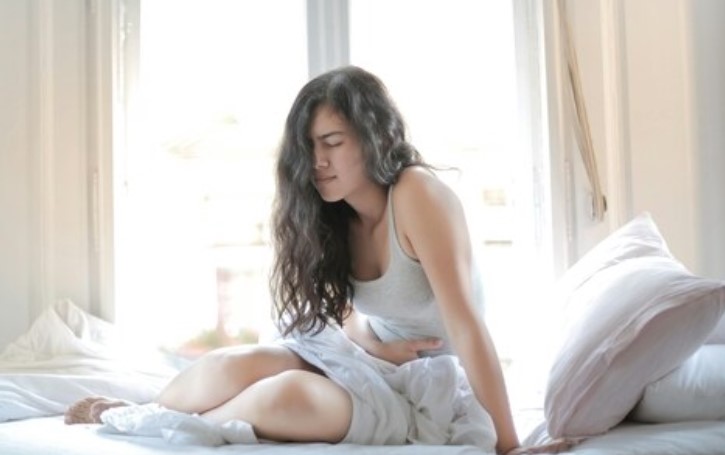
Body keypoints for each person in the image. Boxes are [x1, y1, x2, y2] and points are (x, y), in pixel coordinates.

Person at [65, 66, 565, 455]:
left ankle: (156, 424)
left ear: (376, 137)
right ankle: (144, 410)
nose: (317, 161)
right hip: (371, 362)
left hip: (429, 390)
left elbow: (466, 323)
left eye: (332, 143)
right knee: (239, 363)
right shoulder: (336, 213)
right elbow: (345, 315)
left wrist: (509, 445)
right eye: (309, 146)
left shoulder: (417, 194)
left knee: (289, 396)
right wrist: (375, 344)